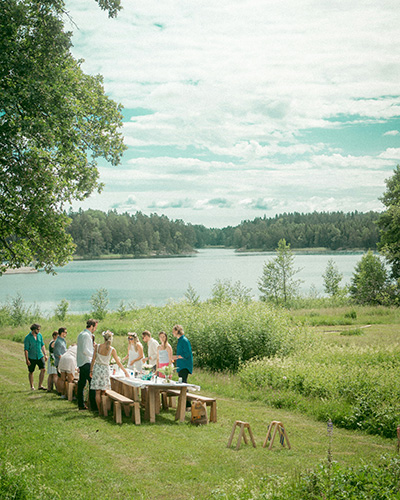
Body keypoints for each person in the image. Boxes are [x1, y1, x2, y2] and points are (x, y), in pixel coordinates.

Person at [90, 330, 129, 413]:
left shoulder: (97, 346)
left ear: (104, 338)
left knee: (97, 391)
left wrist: (91, 370)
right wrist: (125, 371)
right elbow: (118, 362)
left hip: (97, 369)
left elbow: (93, 360)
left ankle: (99, 410)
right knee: (103, 391)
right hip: (105, 370)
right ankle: (104, 410)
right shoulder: (112, 349)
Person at [76, 318, 98, 411]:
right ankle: (93, 406)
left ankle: (81, 404)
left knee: (82, 383)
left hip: (82, 361)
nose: (95, 329)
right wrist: (94, 355)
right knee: (92, 384)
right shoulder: (86, 335)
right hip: (86, 362)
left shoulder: (82, 334)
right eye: (95, 327)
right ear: (92, 326)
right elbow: (85, 350)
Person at [24, 323, 47, 391]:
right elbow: (26, 350)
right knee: (31, 371)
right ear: (34, 329)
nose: (39, 331)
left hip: (39, 356)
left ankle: (40, 385)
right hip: (32, 357)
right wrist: (27, 359)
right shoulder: (27, 338)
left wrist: (45, 354)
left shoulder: (40, 335)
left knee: (43, 369)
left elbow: (42, 345)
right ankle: (32, 386)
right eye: (38, 329)